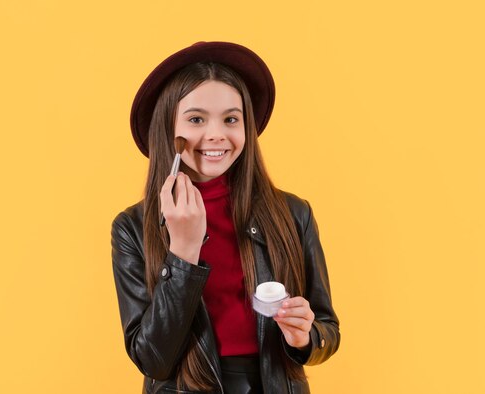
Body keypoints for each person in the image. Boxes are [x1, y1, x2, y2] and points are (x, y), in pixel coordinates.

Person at [111, 41, 340, 393]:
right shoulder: (131, 229)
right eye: (196, 119)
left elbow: (327, 331)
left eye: (231, 119)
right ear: (167, 128)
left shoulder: (294, 214)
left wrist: (305, 335)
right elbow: (153, 358)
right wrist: (184, 251)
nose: (216, 134)